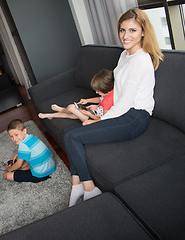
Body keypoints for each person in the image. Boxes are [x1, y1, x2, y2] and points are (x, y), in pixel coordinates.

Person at [65, 8, 164, 207]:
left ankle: (88, 188)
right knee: (70, 133)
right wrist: (102, 111)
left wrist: (100, 119)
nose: (125, 36)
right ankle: (79, 184)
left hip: (135, 118)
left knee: (72, 136)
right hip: (122, 113)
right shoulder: (125, 55)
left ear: (143, 31)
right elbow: (118, 92)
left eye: (132, 30)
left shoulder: (141, 60)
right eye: (122, 30)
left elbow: (126, 102)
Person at [38, 69, 114, 122]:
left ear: (107, 89)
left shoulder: (108, 100)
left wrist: (88, 114)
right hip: (94, 111)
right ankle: (50, 115)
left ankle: (62, 109)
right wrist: (87, 101)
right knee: (71, 116)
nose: (96, 92)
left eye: (99, 91)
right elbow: (100, 99)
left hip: (92, 119)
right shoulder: (110, 93)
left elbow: (104, 119)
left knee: (71, 107)